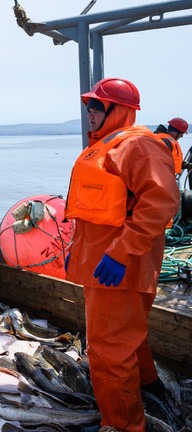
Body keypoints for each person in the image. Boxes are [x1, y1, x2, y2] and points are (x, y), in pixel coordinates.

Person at [64, 77, 180, 432]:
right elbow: (95, 213)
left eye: (97, 106)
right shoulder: (106, 147)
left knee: (107, 354)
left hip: (121, 268)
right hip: (100, 267)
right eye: (88, 106)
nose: (90, 112)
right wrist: (75, 250)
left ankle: (123, 425)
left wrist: (121, 253)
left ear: (119, 110)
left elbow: (161, 204)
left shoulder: (138, 146)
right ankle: (149, 387)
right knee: (127, 336)